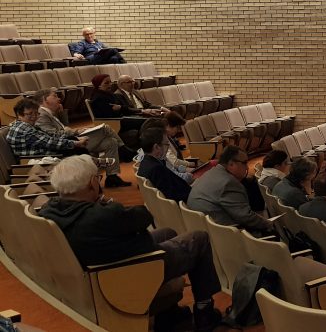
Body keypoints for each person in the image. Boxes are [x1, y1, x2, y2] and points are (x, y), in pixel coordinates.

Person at [38, 155, 221, 331]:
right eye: (97, 178)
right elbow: (143, 216)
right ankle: (204, 312)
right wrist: (107, 203)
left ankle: (168, 314)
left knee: (168, 232)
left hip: (103, 263)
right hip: (133, 268)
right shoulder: (101, 214)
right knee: (199, 238)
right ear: (92, 183)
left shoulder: (50, 211)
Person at [33, 87, 133, 167]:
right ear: (44, 99)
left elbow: (64, 128)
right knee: (105, 128)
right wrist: (76, 131)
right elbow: (54, 135)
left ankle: (112, 177)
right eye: (54, 96)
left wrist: (62, 113)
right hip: (68, 145)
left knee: (111, 142)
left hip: (72, 140)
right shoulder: (41, 115)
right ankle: (125, 150)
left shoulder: (50, 113)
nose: (59, 99)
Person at [187, 145, 274, 235]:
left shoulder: (212, 172)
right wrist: (269, 224)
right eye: (244, 163)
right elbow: (246, 217)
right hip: (225, 235)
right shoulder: (229, 183)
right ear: (231, 164)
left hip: (204, 228)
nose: (247, 167)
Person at [5, 97, 95, 165]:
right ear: (19, 115)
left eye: (36, 113)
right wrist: (76, 143)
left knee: (72, 140)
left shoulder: (23, 124)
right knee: (77, 149)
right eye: (30, 114)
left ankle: (93, 164)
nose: (34, 116)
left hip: (43, 152)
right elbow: (49, 142)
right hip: (37, 159)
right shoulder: (24, 128)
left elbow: (48, 136)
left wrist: (75, 138)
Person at [89, 73, 149, 147]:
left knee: (146, 120)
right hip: (115, 122)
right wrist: (118, 109)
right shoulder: (98, 98)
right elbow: (108, 115)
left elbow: (120, 107)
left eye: (110, 82)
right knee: (146, 121)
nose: (110, 84)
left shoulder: (108, 94)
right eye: (106, 83)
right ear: (99, 85)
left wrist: (119, 108)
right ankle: (146, 146)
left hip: (120, 119)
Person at [137, 114, 196, 184]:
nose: (167, 129)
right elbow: (175, 175)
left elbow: (172, 168)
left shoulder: (153, 159)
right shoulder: (157, 165)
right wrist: (191, 173)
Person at [137, 128, 192, 202]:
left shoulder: (145, 162)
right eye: (166, 144)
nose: (168, 147)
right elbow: (174, 196)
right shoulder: (156, 169)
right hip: (188, 202)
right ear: (156, 147)